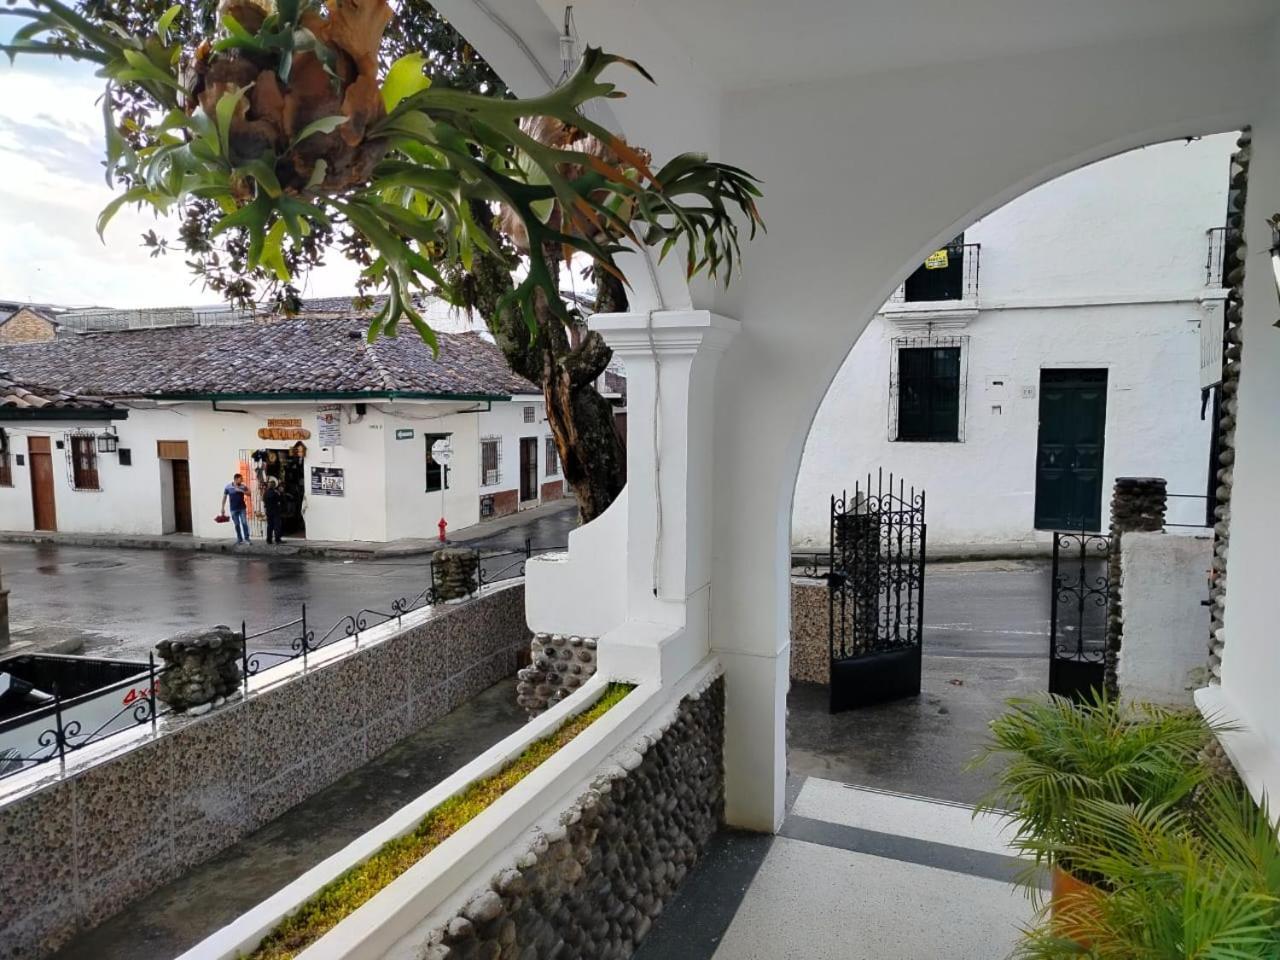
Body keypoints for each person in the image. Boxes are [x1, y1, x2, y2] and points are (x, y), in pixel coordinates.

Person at [220, 473, 251, 544]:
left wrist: (241, 491)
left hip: (242, 508)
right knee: (237, 524)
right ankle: (239, 539)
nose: (242, 480)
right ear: (236, 479)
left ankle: (247, 539)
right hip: (233, 509)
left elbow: (249, 493)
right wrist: (222, 508)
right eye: (241, 479)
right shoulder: (228, 487)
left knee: (244, 523)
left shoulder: (243, 486)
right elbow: (224, 498)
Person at [264, 476, 284, 545]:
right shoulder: (275, 493)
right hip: (275, 511)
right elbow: (280, 500)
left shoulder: (265, 493)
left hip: (268, 511)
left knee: (270, 526)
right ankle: (277, 539)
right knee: (277, 525)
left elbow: (264, 501)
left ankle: (269, 540)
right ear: (274, 486)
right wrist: (281, 493)